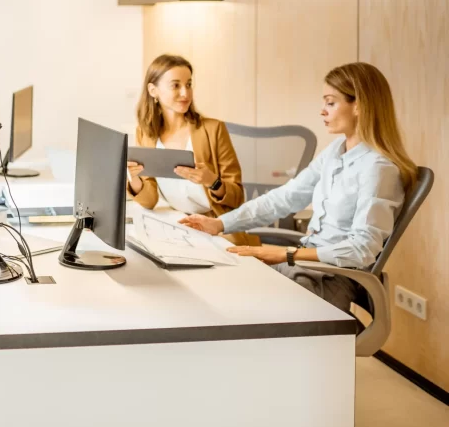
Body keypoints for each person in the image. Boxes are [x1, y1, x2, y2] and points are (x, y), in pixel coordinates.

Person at [180, 62, 416, 312]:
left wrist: (286, 254)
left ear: (358, 105)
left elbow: (362, 250)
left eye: (330, 102)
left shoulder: (378, 168)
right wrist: (221, 223)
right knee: (224, 281)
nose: (322, 111)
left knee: (241, 304)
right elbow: (286, 198)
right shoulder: (336, 150)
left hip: (332, 276)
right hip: (305, 263)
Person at [127, 54, 245, 221]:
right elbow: (150, 201)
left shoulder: (213, 129)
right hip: (177, 222)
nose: (185, 93)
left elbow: (238, 197)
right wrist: (134, 178)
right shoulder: (145, 134)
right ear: (153, 91)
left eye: (188, 84)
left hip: (216, 226)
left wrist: (212, 181)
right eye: (175, 85)